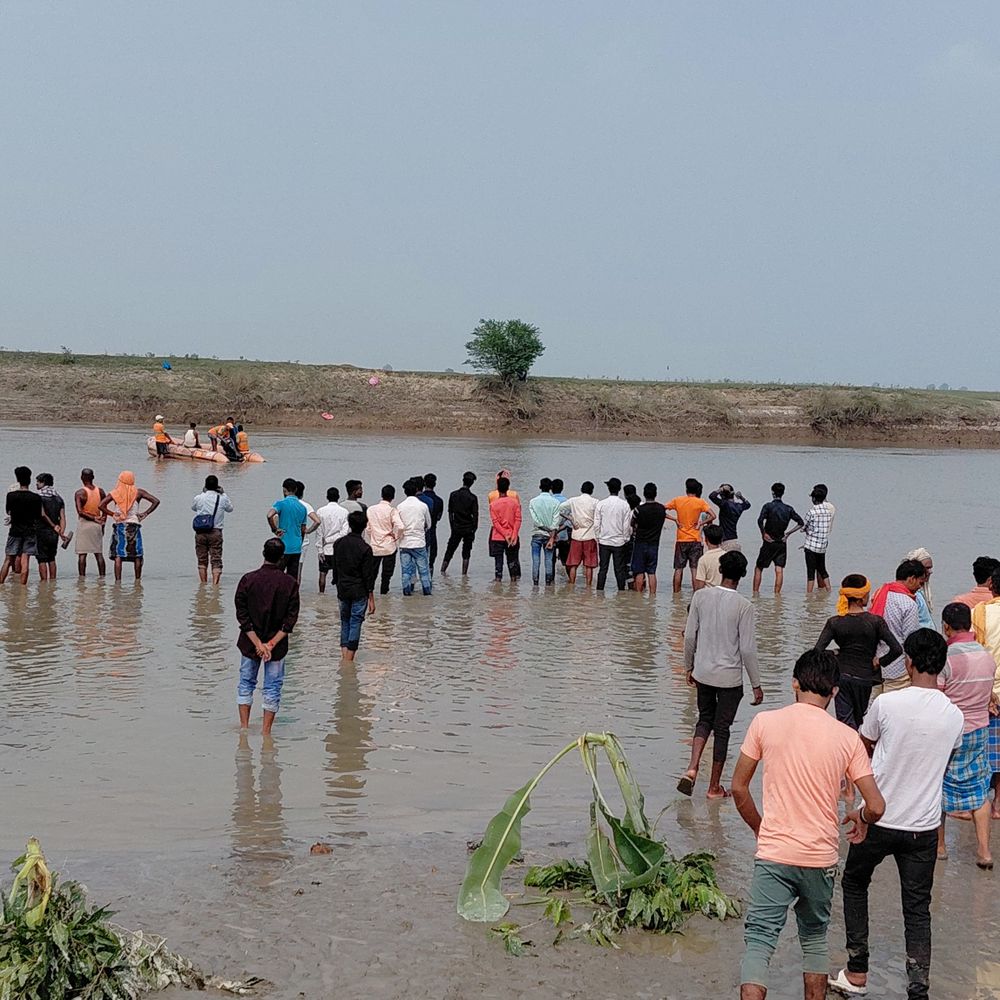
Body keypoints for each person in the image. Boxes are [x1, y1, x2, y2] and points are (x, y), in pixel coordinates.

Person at [730, 650, 885, 1000]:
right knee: (815, 941)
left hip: (774, 853)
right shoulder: (847, 738)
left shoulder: (765, 723)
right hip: (820, 857)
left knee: (759, 943)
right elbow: (876, 805)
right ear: (834, 692)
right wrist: (860, 818)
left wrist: (760, 828)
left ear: (794, 685)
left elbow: (738, 787)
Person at [830, 629, 964, 1000]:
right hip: (923, 827)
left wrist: (859, 806)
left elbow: (863, 748)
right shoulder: (954, 717)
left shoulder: (888, 704)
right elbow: (945, 763)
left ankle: (857, 972)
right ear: (941, 666)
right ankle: (918, 990)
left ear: (909, 662)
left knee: (855, 884)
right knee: (917, 910)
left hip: (879, 817)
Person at [679, 551, 763, 799]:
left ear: (721, 569)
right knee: (722, 729)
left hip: (703, 672)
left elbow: (690, 636)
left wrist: (688, 666)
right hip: (729, 679)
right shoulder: (744, 606)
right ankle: (714, 787)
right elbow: (747, 649)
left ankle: (692, 768)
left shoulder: (700, 597)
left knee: (704, 719)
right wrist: (756, 684)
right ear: (742, 575)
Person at [936, 602, 995, 868]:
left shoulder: (945, 659)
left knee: (937, 787)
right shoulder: (986, 656)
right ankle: (984, 852)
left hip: (950, 732)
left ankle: (940, 847)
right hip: (979, 729)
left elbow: (937, 697)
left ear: (946, 627)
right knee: (980, 790)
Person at [815, 574, 903, 730]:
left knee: (845, 723)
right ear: (862, 597)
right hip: (865, 677)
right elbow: (896, 649)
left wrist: (835, 653)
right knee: (860, 719)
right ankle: (859, 750)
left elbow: (817, 652)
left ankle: (847, 750)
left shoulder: (834, 622)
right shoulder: (875, 622)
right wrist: (880, 661)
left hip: (841, 677)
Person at [234, 537, 300, 735]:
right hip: (276, 646)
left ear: (263, 554)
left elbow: (242, 615)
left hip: (249, 643)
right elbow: (290, 620)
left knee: (246, 683)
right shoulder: (289, 583)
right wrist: (269, 644)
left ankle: (244, 728)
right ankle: (266, 732)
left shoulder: (248, 579)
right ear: (282, 558)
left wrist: (258, 643)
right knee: (273, 688)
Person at [870, 559, 926, 694]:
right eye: (921, 582)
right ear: (912, 579)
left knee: (874, 709)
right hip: (898, 669)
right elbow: (910, 641)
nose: (920, 587)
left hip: (874, 665)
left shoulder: (878, 594)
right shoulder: (909, 604)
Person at [971, 567, 1000, 821]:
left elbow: (974, 652)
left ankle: (980, 801)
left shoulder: (979, 612)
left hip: (987, 691)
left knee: (985, 749)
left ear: (991, 585)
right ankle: (999, 803)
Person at [98, 471, 159, 581]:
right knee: (137, 554)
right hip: (134, 525)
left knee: (118, 554)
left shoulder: (115, 493)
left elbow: (101, 505)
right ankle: (137, 581)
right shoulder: (138, 492)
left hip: (120, 525)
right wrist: (145, 513)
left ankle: (118, 582)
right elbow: (155, 501)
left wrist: (112, 514)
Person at [333, 511, 376, 661]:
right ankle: (349, 658)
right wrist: (371, 597)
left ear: (349, 525)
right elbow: (368, 576)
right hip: (359, 591)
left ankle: (344, 655)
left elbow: (336, 567)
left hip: (342, 589)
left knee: (344, 621)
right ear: (365, 526)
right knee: (356, 621)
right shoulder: (365, 548)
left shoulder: (338, 543)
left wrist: (337, 582)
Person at [752, 483, 804, 595]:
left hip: (768, 542)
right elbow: (801, 523)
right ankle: (777, 595)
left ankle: (755, 593)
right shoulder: (788, 509)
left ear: (772, 492)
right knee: (779, 570)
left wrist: (763, 533)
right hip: (781, 542)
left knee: (759, 567)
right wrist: (788, 533)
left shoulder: (768, 506)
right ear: (783, 493)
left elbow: (760, 520)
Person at [666, 478, 715, 592]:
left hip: (681, 539)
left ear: (686, 489)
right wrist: (701, 523)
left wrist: (674, 519)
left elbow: (662, 509)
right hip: (695, 539)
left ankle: (676, 594)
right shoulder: (700, 502)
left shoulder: (678, 500)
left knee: (678, 569)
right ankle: (696, 592)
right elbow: (713, 515)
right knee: (694, 569)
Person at [1, 467, 41, 586]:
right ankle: (23, 588)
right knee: (25, 560)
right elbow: (37, 516)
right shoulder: (36, 498)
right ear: (29, 479)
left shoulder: (11, 496)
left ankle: (1, 584)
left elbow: (8, 511)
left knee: (8, 559)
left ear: (18, 480)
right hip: (30, 532)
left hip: (15, 531)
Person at [191, 474, 233, 585]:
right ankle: (215, 585)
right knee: (216, 559)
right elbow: (230, 509)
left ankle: (203, 584)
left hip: (200, 532)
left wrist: (203, 493)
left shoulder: (199, 497)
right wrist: (223, 493)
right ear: (217, 486)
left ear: (205, 485)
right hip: (216, 532)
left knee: (201, 559)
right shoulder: (222, 498)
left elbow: (193, 507)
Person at [594, 477, 632, 592]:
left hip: (604, 541)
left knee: (603, 569)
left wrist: (598, 537)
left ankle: (599, 591)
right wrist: (625, 538)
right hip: (619, 542)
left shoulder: (601, 504)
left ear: (608, 488)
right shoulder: (624, 505)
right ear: (619, 489)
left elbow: (596, 524)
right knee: (619, 569)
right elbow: (626, 525)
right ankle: (621, 592)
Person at [397, 478, 433, 595]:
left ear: (405, 492)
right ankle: (427, 593)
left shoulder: (400, 507)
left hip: (404, 543)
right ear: (416, 490)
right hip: (419, 542)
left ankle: (406, 593)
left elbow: (398, 526)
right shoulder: (423, 506)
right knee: (424, 571)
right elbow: (429, 524)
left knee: (406, 571)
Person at [367, 484, 405, 594]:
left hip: (374, 547)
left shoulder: (371, 509)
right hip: (389, 546)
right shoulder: (392, 510)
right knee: (386, 575)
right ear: (393, 497)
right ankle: (384, 594)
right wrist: (396, 536)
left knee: (372, 574)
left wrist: (372, 537)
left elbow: (368, 528)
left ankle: (370, 595)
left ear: (381, 495)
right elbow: (401, 526)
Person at [559, 482, 599, 586]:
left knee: (573, 564)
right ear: (592, 490)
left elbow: (559, 508)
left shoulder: (573, 500)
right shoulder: (595, 502)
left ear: (581, 489)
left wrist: (570, 519)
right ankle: (588, 587)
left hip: (576, 536)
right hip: (590, 536)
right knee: (589, 565)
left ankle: (572, 584)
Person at [267, 478, 308, 578]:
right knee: (292, 578)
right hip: (296, 547)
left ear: (284, 490)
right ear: (295, 490)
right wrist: (300, 542)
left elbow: (269, 515)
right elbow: (303, 530)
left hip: (283, 547)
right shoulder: (302, 508)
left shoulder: (281, 504)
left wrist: (274, 529)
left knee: (277, 576)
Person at [630, 482, 666, 595]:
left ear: (644, 494)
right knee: (652, 572)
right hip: (654, 543)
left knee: (639, 571)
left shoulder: (639, 509)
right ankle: (653, 596)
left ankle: (639, 597)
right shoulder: (661, 509)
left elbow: (632, 523)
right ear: (656, 494)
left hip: (640, 543)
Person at [441, 472, 478, 576]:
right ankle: (464, 574)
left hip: (456, 527)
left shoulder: (453, 495)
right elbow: (475, 516)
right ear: (472, 483)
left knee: (450, 550)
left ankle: (442, 571)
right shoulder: (472, 498)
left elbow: (450, 513)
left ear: (463, 480)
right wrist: (474, 530)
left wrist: (452, 526)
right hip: (468, 528)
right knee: (466, 553)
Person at [34, 473, 68, 581]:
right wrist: (61, 532)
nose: (36, 484)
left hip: (41, 531)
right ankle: (53, 583)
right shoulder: (59, 498)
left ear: (43, 483)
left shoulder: (38, 497)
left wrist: (53, 526)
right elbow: (63, 517)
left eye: (38, 482)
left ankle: (44, 583)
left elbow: (42, 514)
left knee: (41, 559)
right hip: (54, 534)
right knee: (52, 558)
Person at [802, 484, 836, 593]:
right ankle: (829, 590)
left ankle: (809, 594)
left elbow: (804, 526)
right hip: (822, 545)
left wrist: (805, 530)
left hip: (811, 545)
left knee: (810, 572)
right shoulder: (828, 511)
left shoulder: (812, 512)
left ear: (814, 498)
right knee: (822, 569)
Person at [316, 487, 349, 594]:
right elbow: (344, 532)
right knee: (340, 575)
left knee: (322, 573)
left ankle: (321, 595)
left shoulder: (320, 511)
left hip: (325, 549)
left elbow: (319, 532)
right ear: (338, 497)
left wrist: (320, 549)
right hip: (339, 550)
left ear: (327, 497)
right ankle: (340, 596)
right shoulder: (344, 512)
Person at [74, 468, 107, 577]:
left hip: (85, 524)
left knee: (82, 554)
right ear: (93, 477)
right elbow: (105, 509)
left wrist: (93, 519)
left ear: (81, 478)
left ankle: (82, 579)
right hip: (97, 524)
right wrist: (103, 523)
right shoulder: (100, 491)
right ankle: (102, 577)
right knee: (98, 554)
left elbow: (80, 512)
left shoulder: (80, 493)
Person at [488, 476, 522, 582]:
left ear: (497, 488)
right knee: (512, 562)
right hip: (512, 537)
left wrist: (504, 534)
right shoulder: (515, 503)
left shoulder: (493, 505)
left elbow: (496, 523)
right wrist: (514, 534)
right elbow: (518, 520)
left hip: (497, 537)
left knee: (498, 563)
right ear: (508, 488)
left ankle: (498, 587)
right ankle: (513, 590)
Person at [527, 477, 560, 586]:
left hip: (537, 534)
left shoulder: (533, 502)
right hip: (550, 536)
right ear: (550, 488)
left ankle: (535, 584)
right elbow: (556, 522)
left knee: (536, 561)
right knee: (549, 561)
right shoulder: (555, 502)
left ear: (540, 487)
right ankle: (548, 584)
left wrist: (545, 528)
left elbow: (537, 522)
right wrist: (551, 534)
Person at [293, 480, 322, 583]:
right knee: (298, 570)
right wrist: (308, 531)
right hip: (302, 541)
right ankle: (295, 593)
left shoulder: (284, 503)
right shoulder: (305, 505)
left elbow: (274, 517)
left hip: (286, 540)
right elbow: (317, 521)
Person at [709, 484, 752, 551]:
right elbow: (748, 505)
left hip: (725, 541)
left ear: (722, 495)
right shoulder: (739, 506)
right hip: (734, 540)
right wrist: (741, 497)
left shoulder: (725, 504)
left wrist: (721, 489)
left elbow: (712, 496)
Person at [417, 474, 445, 574]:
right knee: (431, 561)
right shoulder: (439, 501)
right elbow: (439, 517)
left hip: (417, 533)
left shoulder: (417, 499)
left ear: (424, 484)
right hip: (432, 531)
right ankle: (429, 582)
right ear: (435, 484)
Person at [903, 547, 935, 629]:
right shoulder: (910, 594)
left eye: (931, 568)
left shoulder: (922, 593)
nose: (930, 571)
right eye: (927, 568)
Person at [549, 478, 571, 572]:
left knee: (550, 560)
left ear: (551, 488)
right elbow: (570, 520)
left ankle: (551, 582)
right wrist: (560, 529)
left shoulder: (549, 501)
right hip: (563, 536)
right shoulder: (567, 502)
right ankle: (570, 583)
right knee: (566, 562)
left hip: (550, 535)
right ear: (562, 488)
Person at [694, 524, 725, 590]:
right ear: (721, 540)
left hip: (708, 594)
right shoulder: (726, 556)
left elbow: (700, 585)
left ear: (706, 540)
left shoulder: (703, 559)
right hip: (723, 594)